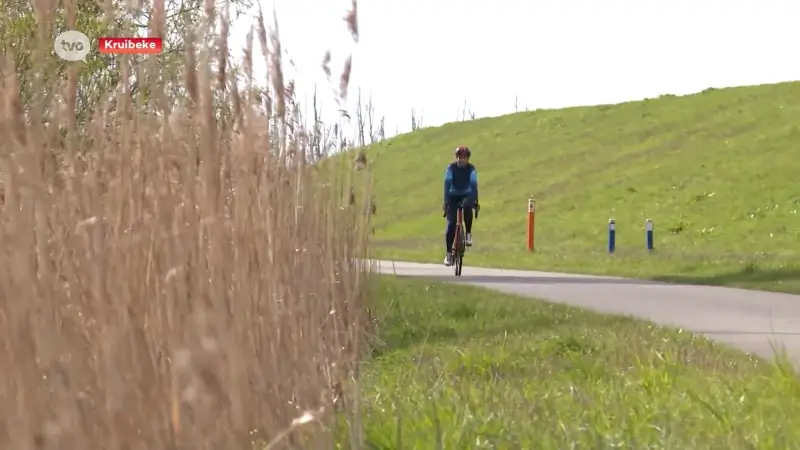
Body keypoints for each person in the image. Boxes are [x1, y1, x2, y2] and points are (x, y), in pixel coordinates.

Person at [442, 145, 479, 266]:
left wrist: (475, 201)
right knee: (451, 225)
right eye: (459, 157)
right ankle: (448, 254)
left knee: (468, 207)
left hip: (467, 194)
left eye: (464, 158)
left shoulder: (471, 169)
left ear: (467, 158)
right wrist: (446, 201)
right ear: (456, 158)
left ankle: (468, 233)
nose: (461, 160)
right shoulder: (451, 169)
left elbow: (474, 185)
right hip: (453, 196)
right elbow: (447, 185)